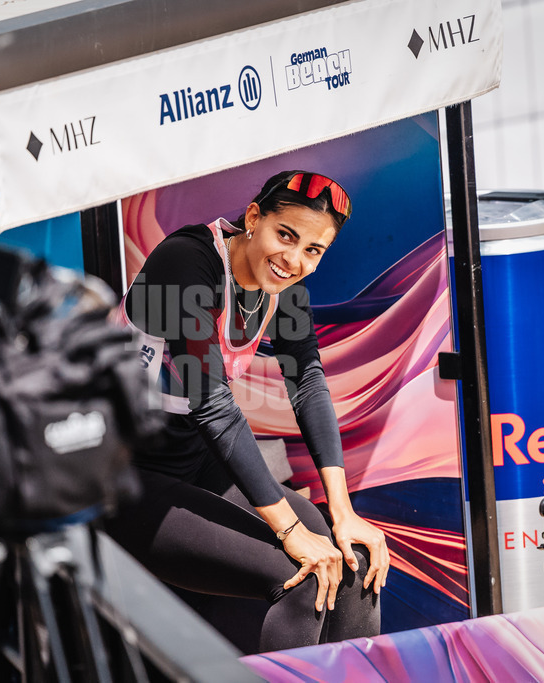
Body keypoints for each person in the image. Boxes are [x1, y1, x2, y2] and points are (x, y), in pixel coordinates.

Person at [106, 170, 391, 653]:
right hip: (123, 477)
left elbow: (307, 381)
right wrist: (291, 529)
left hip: (195, 464)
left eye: (312, 251)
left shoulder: (279, 281)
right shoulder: (188, 261)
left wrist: (343, 513)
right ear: (254, 218)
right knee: (302, 575)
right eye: (286, 236)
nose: (293, 259)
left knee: (353, 559)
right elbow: (212, 405)